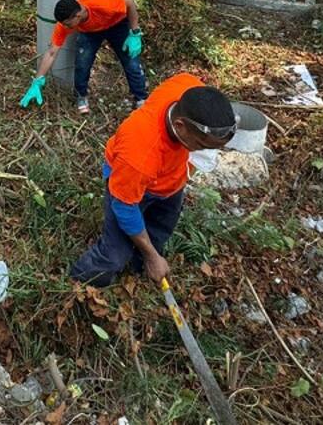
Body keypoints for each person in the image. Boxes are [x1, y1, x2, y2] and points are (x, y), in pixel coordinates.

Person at [70, 74, 237, 286]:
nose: (204, 152)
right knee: (113, 257)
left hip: (169, 182)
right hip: (130, 186)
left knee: (159, 230)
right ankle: (80, 281)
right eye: (201, 145)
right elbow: (125, 207)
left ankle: (143, 267)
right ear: (180, 126)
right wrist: (152, 255)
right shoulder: (139, 154)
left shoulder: (187, 87)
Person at [20, 0, 146, 115]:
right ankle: (81, 96)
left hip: (116, 24)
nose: (67, 27)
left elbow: (129, 2)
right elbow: (52, 52)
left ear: (78, 15)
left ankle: (140, 97)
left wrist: (135, 32)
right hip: (90, 32)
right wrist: (37, 81)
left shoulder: (104, 4)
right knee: (82, 63)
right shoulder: (64, 24)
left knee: (130, 60)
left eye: (69, 24)